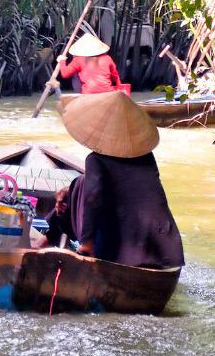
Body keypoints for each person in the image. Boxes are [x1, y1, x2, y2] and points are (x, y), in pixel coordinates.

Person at [56, 91, 183, 269]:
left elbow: (93, 197)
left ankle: (48, 235)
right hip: (161, 249)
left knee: (76, 187)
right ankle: (51, 231)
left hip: (122, 252)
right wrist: (70, 189)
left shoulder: (95, 160)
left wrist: (87, 244)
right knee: (77, 184)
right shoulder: (146, 157)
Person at [57, 31, 122, 94]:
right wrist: (120, 87)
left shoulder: (78, 59)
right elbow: (115, 76)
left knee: (75, 75)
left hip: (88, 94)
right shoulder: (107, 58)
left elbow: (65, 74)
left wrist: (62, 61)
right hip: (108, 92)